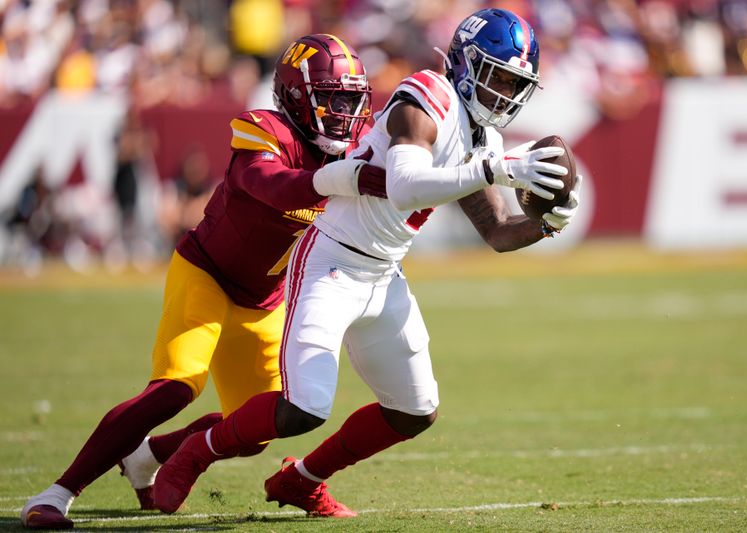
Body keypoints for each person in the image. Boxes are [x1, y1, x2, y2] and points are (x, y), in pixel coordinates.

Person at [153, 8, 582, 518]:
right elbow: (403, 186)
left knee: (414, 411)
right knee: (302, 408)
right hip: (330, 258)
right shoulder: (427, 96)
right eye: (498, 76)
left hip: (385, 273)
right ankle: (196, 452)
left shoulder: (482, 138)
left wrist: (547, 225)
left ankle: (303, 479)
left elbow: (497, 233)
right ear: (467, 64)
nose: (505, 92)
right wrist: (497, 168)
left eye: (516, 83)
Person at [20, 33, 386, 530]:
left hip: (265, 299)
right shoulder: (266, 129)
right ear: (297, 98)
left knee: (257, 426)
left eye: (351, 100)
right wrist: (338, 180)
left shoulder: (350, 153)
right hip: (207, 274)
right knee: (173, 389)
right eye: (331, 98)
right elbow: (267, 184)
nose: (343, 112)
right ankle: (56, 493)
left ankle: (148, 457)